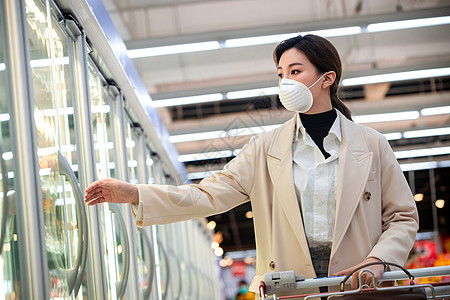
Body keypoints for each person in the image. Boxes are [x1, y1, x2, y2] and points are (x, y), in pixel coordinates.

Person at [84, 34, 419, 297]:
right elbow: (208, 194)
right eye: (280, 74)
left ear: (327, 78)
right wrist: (137, 194)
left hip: (360, 284)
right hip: (292, 287)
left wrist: (379, 260)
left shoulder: (372, 144)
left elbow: (403, 216)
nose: (285, 81)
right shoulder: (264, 149)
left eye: (295, 71)